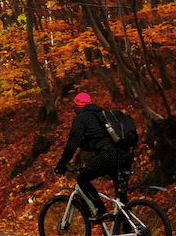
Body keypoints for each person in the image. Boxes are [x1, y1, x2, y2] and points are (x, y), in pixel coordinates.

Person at [54, 92, 133, 222]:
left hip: (109, 154)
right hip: (125, 154)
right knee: (121, 195)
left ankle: (101, 211)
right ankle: (127, 235)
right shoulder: (103, 114)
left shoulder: (82, 118)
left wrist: (61, 164)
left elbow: (72, 145)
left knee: (82, 179)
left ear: (77, 106)